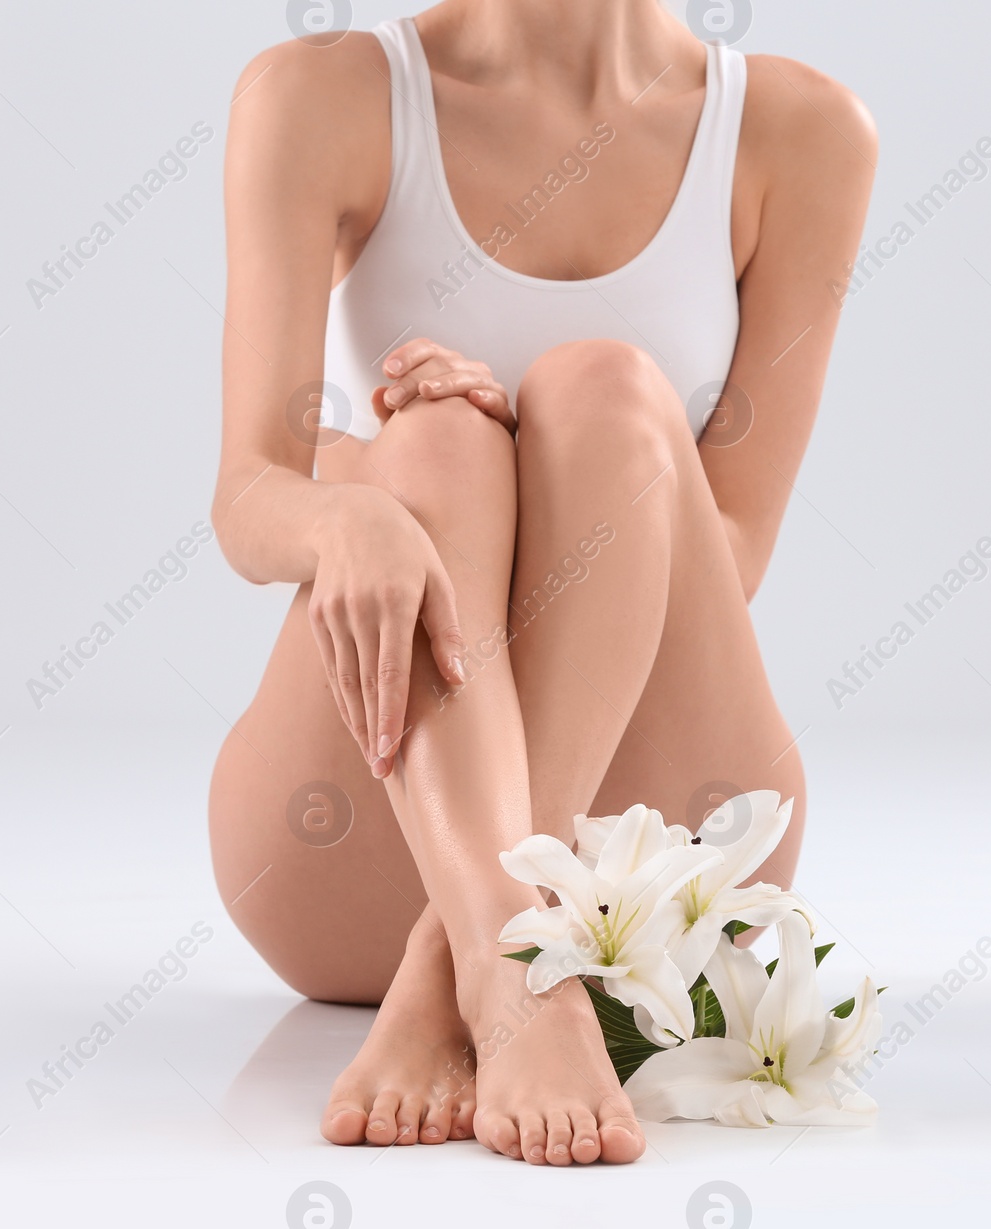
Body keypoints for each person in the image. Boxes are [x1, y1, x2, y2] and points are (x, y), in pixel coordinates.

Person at [207, 0, 876, 1166]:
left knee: (607, 391)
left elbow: (731, 543)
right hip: (354, 849)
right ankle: (507, 942)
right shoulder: (319, 95)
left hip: (648, 846)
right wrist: (353, 499)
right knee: (436, 440)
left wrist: (566, 438)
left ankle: (480, 949)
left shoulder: (803, 131)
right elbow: (247, 494)